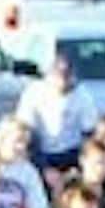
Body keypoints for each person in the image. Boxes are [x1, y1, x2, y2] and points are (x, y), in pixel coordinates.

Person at [15, 53, 98, 193]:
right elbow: (25, 132)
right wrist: (44, 168)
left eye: (67, 75)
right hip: (39, 152)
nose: (63, 80)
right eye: (59, 75)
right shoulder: (33, 93)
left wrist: (76, 168)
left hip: (72, 154)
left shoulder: (83, 95)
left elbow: (89, 136)